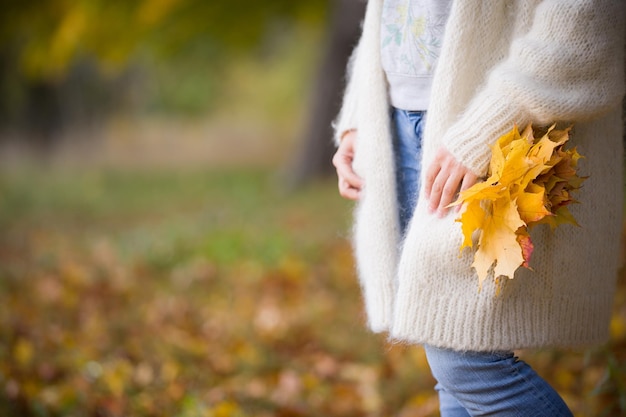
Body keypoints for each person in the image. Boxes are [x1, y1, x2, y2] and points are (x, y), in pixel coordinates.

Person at [331, 1, 626, 415]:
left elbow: (584, 18)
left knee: (466, 363)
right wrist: (359, 115)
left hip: (491, 129)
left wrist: (487, 125)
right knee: (453, 360)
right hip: (397, 123)